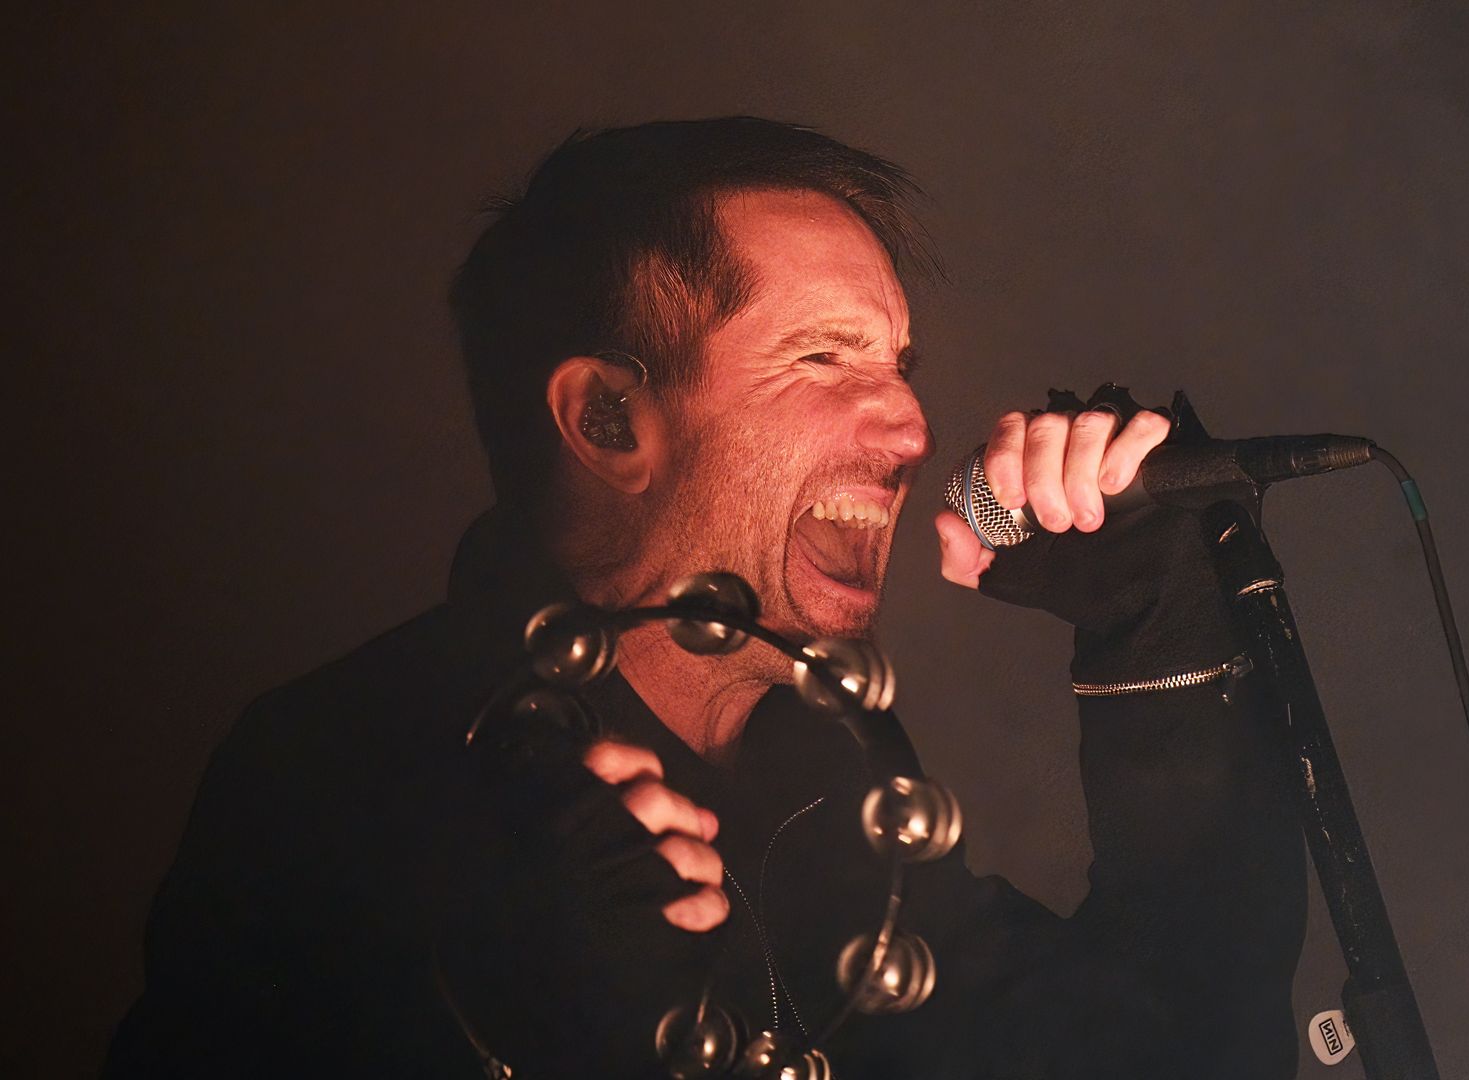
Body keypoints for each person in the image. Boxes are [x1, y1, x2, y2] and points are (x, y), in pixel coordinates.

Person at [105, 118, 1306, 1079]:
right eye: (822, 358)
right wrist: (492, 1022)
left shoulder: (836, 785)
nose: (907, 427)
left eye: (898, 366)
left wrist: (1157, 642)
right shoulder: (339, 772)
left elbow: (1177, 1052)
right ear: (609, 419)